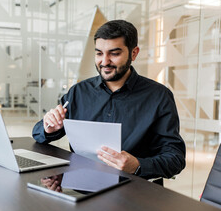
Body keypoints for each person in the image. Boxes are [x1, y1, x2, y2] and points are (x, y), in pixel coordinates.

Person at [32, 20, 186, 184]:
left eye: (114, 53)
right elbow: (38, 133)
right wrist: (49, 128)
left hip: (136, 190)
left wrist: (138, 166)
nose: (105, 61)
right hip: (82, 185)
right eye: (99, 53)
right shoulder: (79, 92)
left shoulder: (159, 96)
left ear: (134, 53)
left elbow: (175, 159)